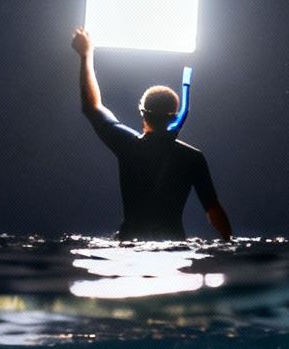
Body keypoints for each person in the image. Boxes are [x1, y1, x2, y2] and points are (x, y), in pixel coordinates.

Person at [72, 27, 233, 241]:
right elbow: (214, 212)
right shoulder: (192, 158)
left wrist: (86, 55)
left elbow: (92, 107)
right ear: (174, 116)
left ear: (142, 113)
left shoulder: (129, 146)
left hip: (131, 242)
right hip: (174, 245)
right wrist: (229, 245)